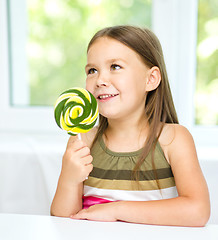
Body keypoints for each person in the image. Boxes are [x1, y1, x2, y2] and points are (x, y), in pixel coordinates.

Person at [50, 25, 210, 226]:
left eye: (115, 66)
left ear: (150, 80)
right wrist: (69, 178)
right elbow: (63, 220)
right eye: (92, 70)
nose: (100, 80)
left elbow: (198, 212)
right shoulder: (84, 140)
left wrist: (116, 210)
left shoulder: (173, 139)